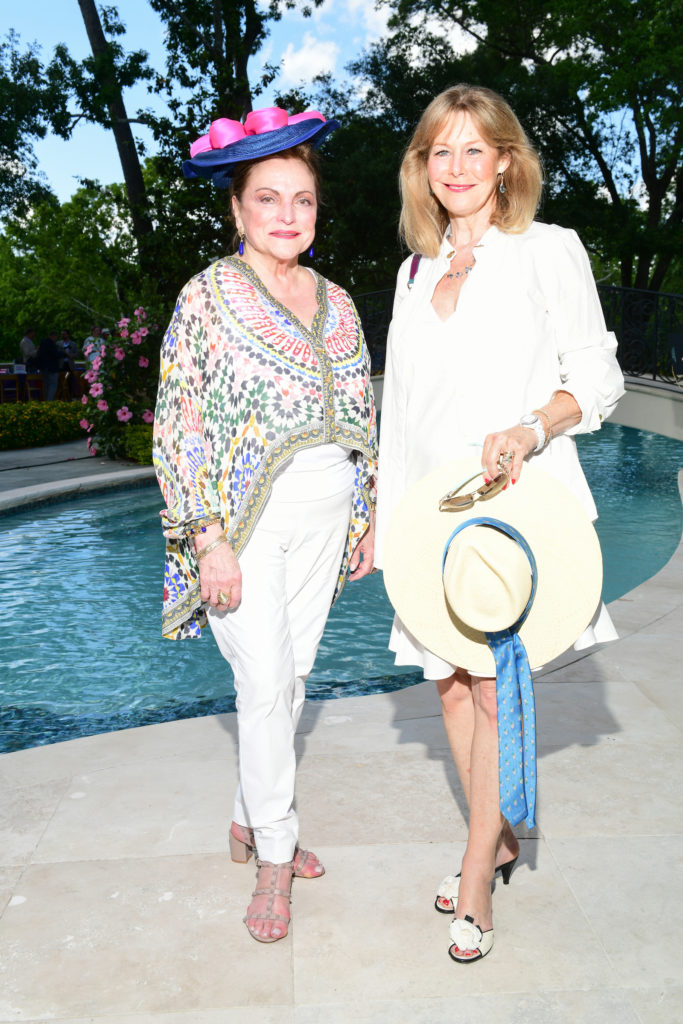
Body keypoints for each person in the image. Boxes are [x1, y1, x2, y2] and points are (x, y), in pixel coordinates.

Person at [374, 84, 625, 963]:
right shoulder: (412, 272)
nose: (455, 167)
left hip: (514, 505)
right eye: (438, 151)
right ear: (422, 169)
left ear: (506, 161)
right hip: (430, 515)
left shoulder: (546, 251)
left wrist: (530, 426)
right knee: (446, 682)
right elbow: (397, 413)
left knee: (491, 683)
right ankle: (502, 834)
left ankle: (478, 866)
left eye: (473, 149)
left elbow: (597, 377)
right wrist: (381, 516)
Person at [153, 106, 377, 945]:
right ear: (237, 209)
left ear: (317, 212)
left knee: (293, 679)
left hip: (327, 513)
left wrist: (365, 516)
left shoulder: (342, 302)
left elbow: (361, 414)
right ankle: (275, 855)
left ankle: (251, 814)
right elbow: (180, 424)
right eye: (268, 198)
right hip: (244, 524)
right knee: (262, 681)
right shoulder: (207, 295)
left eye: (303, 200)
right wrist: (206, 536)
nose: (287, 215)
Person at [36, 330, 62, 400]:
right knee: (53, 385)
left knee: (46, 385)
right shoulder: (51, 344)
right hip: (52, 368)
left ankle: (46, 400)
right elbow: (55, 354)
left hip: (43, 368)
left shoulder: (42, 344)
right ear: (54, 336)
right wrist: (63, 354)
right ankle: (49, 400)